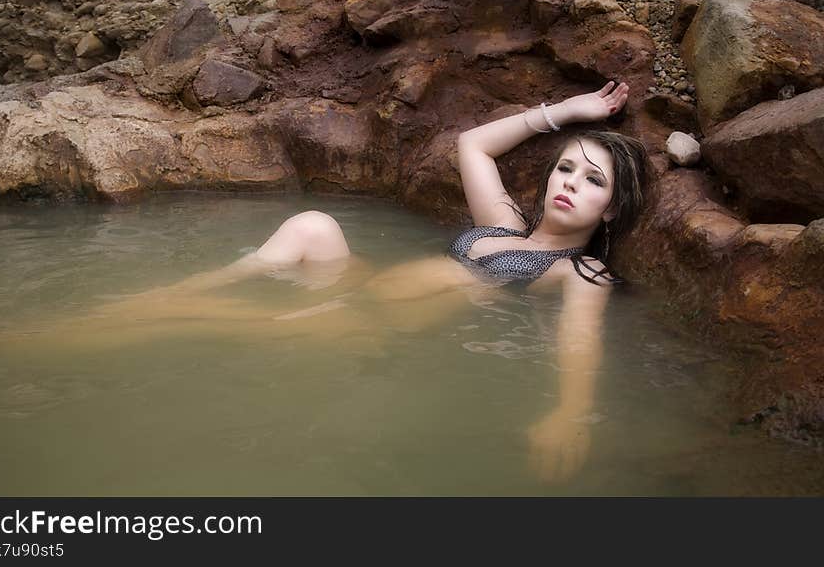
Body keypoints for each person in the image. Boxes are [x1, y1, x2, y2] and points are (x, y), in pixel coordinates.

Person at [97, 80, 652, 482]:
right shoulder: (505, 224)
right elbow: (473, 145)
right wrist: (566, 112)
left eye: (593, 180)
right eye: (566, 168)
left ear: (611, 210)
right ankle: (201, 287)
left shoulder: (579, 270)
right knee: (314, 224)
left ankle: (61, 335)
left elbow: (579, 342)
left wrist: (568, 415)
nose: (571, 182)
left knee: (166, 320)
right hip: (358, 288)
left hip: (367, 325)